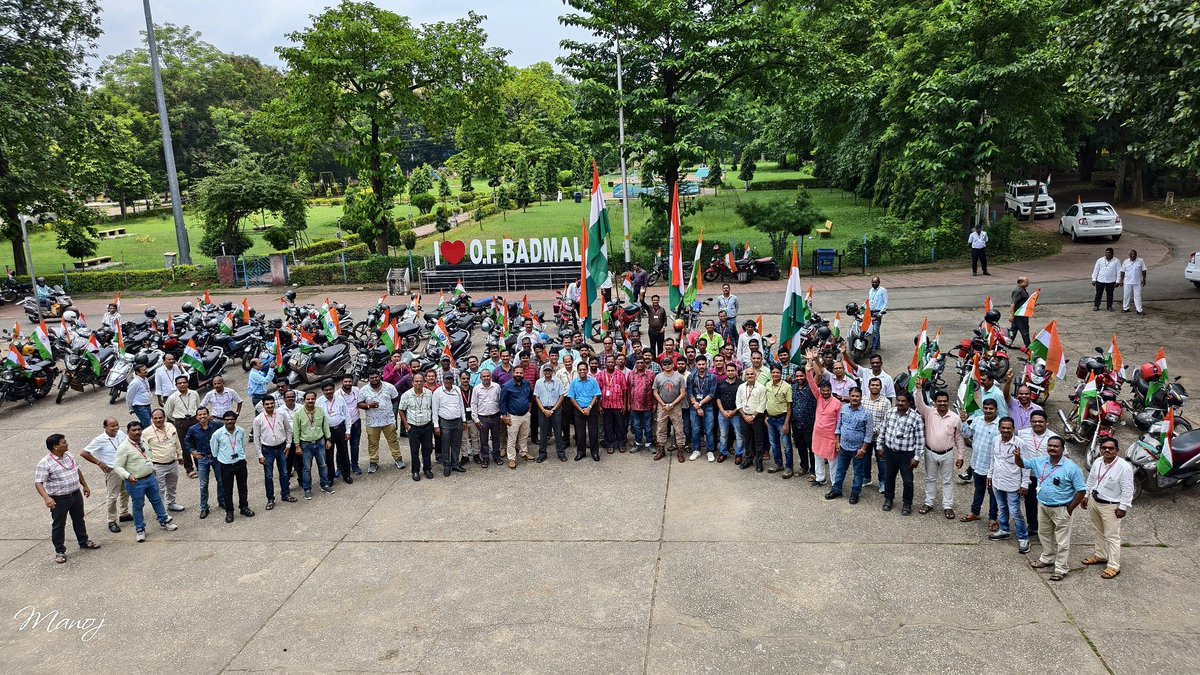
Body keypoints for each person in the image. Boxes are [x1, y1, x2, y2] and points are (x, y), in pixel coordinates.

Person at [1015, 435, 1085, 579]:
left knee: (1062, 541)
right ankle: (1047, 558)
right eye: (1050, 445)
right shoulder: (1040, 461)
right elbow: (1022, 464)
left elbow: (1081, 490)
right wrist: (1017, 457)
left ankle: (1061, 569)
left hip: (1061, 508)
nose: (1052, 448)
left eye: (1056, 446)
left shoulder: (1071, 467)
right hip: (1043, 505)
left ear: (1062, 448)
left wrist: (1070, 509)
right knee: (1044, 535)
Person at [35, 434, 100, 564]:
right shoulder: (45, 463)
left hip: (75, 495)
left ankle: (84, 541)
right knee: (59, 524)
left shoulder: (69, 455)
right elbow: (38, 482)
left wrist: (85, 485)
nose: (67, 444)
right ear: (55, 446)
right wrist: (47, 498)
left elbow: (77, 470)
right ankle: (60, 551)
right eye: (64, 443)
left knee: (79, 519)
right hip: (59, 499)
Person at [113, 421, 178, 542]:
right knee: (138, 506)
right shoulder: (124, 447)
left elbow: (148, 456)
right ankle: (140, 529)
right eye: (134, 430)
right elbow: (118, 466)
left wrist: (152, 469)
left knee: (157, 501)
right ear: (128, 432)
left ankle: (164, 521)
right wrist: (128, 476)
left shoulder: (143, 441)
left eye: (139, 429)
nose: (137, 432)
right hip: (135, 482)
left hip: (150, 478)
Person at [1081, 437, 1135, 579]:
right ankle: (1100, 555)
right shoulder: (1098, 461)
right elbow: (1091, 479)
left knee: (1112, 536)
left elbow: (1128, 490)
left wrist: (1123, 507)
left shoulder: (1124, 467)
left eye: (1111, 448)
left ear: (1117, 450)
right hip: (1095, 501)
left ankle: (1113, 566)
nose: (1107, 450)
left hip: (1111, 506)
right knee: (1098, 531)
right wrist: (1086, 496)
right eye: (1104, 447)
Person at [913, 387, 965, 518]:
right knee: (930, 479)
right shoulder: (929, 413)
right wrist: (918, 389)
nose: (942, 403)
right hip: (930, 452)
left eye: (945, 401)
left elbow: (958, 437)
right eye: (939, 401)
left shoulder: (955, 418)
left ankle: (948, 506)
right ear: (935, 402)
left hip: (947, 454)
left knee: (948, 481)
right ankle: (928, 503)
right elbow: (919, 403)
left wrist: (960, 456)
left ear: (948, 402)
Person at [878, 391, 927, 515]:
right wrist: (879, 446)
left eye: (903, 401)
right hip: (890, 452)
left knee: (908, 481)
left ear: (909, 402)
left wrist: (917, 457)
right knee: (889, 477)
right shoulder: (890, 413)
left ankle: (907, 504)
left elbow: (920, 440)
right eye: (898, 400)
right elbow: (883, 430)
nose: (900, 403)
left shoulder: (916, 418)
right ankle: (888, 500)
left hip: (906, 455)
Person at [79, 418, 132, 533]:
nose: (116, 428)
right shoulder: (99, 440)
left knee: (126, 492)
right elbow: (84, 453)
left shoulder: (121, 434)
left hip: (125, 468)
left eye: (117, 425)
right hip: (113, 471)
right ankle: (111, 520)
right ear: (105, 427)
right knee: (112, 497)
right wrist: (99, 463)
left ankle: (124, 513)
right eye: (112, 426)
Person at [987, 417, 1031, 553]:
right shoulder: (995, 440)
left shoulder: (1020, 444)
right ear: (999, 428)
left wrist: (1025, 483)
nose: (1005, 430)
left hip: (1013, 483)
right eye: (1003, 428)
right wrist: (989, 475)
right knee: (1002, 507)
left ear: (1013, 429)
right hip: (997, 481)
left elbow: (1026, 465)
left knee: (1015, 511)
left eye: (1008, 428)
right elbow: (993, 459)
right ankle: (1004, 530)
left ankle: (1023, 538)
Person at [826, 386, 875, 503]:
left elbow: (869, 435)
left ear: (861, 398)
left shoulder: (866, 413)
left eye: (857, 396)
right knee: (840, 470)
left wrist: (863, 450)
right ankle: (836, 490)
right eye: (852, 396)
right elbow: (838, 427)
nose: (854, 398)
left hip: (858, 450)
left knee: (858, 473)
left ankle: (855, 493)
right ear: (849, 396)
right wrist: (837, 442)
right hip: (843, 447)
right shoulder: (844, 409)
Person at [961, 400, 1001, 530]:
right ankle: (975, 512)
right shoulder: (977, 420)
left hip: (992, 467)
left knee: (993, 493)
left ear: (996, 410)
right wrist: (964, 421)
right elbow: (966, 434)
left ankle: (993, 518)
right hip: (977, 463)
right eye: (986, 408)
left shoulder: (1000, 425)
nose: (988, 411)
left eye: (991, 409)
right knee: (978, 489)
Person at [209, 410, 255, 523]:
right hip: (225, 465)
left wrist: (241, 456)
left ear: (235, 420)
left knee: (243, 487)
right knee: (227, 490)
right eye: (227, 419)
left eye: (231, 419)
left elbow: (243, 445)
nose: (229, 421)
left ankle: (244, 507)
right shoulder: (218, 434)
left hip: (240, 463)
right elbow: (214, 451)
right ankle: (229, 511)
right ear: (224, 421)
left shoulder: (241, 431)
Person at [805, 350, 842, 486]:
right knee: (818, 456)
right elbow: (812, 385)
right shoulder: (819, 397)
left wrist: (838, 439)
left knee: (832, 460)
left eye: (828, 391)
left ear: (831, 390)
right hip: (818, 434)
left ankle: (835, 483)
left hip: (830, 436)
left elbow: (839, 422)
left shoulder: (837, 403)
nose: (825, 392)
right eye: (823, 390)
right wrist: (808, 371)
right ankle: (820, 478)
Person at [358, 371, 404, 473]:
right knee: (372, 443)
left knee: (393, 441)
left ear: (380, 376)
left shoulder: (389, 387)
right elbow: (359, 404)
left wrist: (387, 409)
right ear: (368, 379)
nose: (374, 379)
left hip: (388, 420)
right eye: (371, 378)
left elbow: (395, 399)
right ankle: (373, 462)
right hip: (372, 422)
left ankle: (398, 459)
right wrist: (369, 406)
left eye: (376, 377)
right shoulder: (364, 390)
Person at [294, 391, 334, 499]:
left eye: (312, 399)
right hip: (306, 445)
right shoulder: (298, 414)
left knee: (323, 465)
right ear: (304, 400)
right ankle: (307, 489)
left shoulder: (320, 411)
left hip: (320, 442)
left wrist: (328, 439)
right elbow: (296, 430)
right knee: (306, 468)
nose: (310, 401)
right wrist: (297, 445)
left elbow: (325, 426)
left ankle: (325, 484)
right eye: (308, 399)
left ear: (315, 400)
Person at [254, 397, 292, 511]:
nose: (270, 406)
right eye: (267, 404)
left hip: (281, 448)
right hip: (267, 450)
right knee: (268, 476)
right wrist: (259, 455)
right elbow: (256, 438)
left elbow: (288, 430)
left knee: (284, 473)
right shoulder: (258, 419)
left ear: (274, 404)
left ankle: (286, 495)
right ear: (263, 405)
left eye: (271, 403)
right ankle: (270, 499)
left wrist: (289, 445)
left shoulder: (281, 414)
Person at [145, 408, 186, 512]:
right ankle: (162, 511)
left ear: (165, 417)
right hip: (158, 466)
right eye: (155, 418)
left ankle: (171, 503)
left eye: (160, 418)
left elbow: (176, 442)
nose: (158, 420)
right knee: (160, 489)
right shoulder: (146, 433)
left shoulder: (171, 427)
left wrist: (180, 456)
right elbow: (143, 450)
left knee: (172, 486)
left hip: (173, 463)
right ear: (152, 419)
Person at [185, 407, 223, 518]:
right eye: (200, 415)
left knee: (220, 481)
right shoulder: (193, 429)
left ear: (208, 415)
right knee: (203, 485)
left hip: (216, 457)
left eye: (204, 414)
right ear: (196, 417)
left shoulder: (216, 425)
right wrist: (193, 452)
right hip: (202, 459)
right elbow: (187, 441)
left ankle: (222, 501)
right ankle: (204, 507)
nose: (202, 416)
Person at [398, 374, 435, 481]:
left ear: (424, 382)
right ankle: (415, 471)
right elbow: (401, 410)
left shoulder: (429, 394)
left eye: (420, 381)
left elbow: (433, 408)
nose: (418, 383)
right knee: (414, 451)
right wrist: (406, 425)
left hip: (427, 426)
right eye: (416, 381)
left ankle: (427, 469)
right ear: (413, 382)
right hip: (413, 427)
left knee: (427, 450)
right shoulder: (406, 395)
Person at [316, 380, 353, 485]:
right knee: (328, 455)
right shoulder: (319, 402)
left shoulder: (340, 399)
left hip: (340, 429)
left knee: (344, 453)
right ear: (322, 391)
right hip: (327, 431)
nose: (328, 391)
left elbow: (347, 416)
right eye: (326, 390)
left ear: (334, 389)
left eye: (330, 389)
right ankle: (330, 477)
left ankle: (346, 475)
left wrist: (348, 431)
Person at [163, 375, 200, 477]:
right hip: (181, 422)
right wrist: (178, 421)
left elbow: (198, 407)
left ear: (188, 383)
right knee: (184, 446)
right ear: (176, 385)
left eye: (184, 382)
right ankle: (189, 469)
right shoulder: (172, 398)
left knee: (197, 442)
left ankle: (200, 465)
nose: (182, 384)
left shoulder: (194, 394)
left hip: (194, 420)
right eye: (179, 383)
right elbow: (169, 413)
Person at [433, 373, 468, 476]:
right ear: (443, 380)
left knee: (456, 444)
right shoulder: (437, 392)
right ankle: (446, 466)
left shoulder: (457, 389)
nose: (448, 381)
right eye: (446, 379)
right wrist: (436, 426)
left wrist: (464, 420)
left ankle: (455, 464)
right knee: (445, 445)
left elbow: (461, 405)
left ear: (453, 380)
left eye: (450, 379)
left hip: (457, 421)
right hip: (445, 422)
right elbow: (435, 410)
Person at [652, 357, 686, 462]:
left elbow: (683, 393)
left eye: (669, 363)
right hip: (662, 406)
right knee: (661, 428)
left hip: (675, 406)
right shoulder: (658, 377)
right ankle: (661, 450)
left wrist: (671, 404)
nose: (667, 365)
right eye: (665, 364)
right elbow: (655, 392)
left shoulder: (679, 377)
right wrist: (663, 404)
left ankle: (680, 451)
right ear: (662, 365)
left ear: (673, 364)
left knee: (679, 429)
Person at [500, 365, 534, 468]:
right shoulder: (506, 386)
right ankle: (511, 458)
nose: (519, 374)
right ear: (513, 373)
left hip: (525, 415)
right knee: (512, 438)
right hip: (513, 416)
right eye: (517, 372)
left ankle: (523, 452)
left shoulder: (527, 384)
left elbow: (530, 397)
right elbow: (502, 402)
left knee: (524, 435)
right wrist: (504, 416)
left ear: (523, 374)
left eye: (521, 373)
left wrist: (529, 410)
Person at [568, 361, 602, 461]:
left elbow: (596, 395)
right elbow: (572, 398)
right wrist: (581, 409)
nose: (582, 371)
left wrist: (589, 408)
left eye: (584, 369)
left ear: (587, 370)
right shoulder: (574, 382)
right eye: (580, 370)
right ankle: (581, 452)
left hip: (591, 409)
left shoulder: (593, 381)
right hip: (579, 410)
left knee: (593, 432)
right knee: (580, 432)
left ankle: (594, 452)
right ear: (577, 371)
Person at [764, 364, 794, 475]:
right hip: (770, 419)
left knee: (786, 445)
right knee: (774, 444)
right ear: (771, 373)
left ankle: (789, 468)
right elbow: (766, 401)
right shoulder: (767, 385)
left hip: (782, 419)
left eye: (777, 372)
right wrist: (765, 416)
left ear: (781, 373)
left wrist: (786, 423)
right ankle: (778, 464)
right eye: (773, 372)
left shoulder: (787, 387)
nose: (775, 374)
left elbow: (789, 406)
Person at [596, 357, 629, 454]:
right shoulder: (600, 375)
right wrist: (599, 405)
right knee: (608, 425)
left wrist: (624, 404)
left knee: (620, 425)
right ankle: (610, 444)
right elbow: (597, 392)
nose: (610, 364)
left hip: (618, 404)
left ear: (615, 363)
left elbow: (625, 391)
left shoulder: (620, 375)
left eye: (612, 362)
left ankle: (621, 443)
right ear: (605, 363)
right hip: (606, 405)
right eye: (608, 362)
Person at [862, 378, 890, 491]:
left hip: (880, 437)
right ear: (868, 387)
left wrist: (873, 430)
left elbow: (886, 420)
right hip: (865, 437)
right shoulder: (863, 400)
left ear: (880, 387)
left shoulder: (886, 402)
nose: (874, 387)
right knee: (865, 458)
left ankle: (883, 482)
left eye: (877, 385)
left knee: (881, 460)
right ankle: (866, 478)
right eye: (872, 385)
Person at [687, 359, 718, 461]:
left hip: (708, 407)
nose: (701, 366)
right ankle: (696, 450)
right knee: (695, 430)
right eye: (699, 364)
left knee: (709, 430)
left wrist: (700, 404)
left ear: (706, 364)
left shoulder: (712, 377)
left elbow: (712, 394)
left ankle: (710, 451)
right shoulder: (691, 376)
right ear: (696, 365)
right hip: (694, 407)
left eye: (703, 364)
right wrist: (696, 405)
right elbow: (689, 392)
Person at [736, 368, 767, 472]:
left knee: (758, 440)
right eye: (747, 374)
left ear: (756, 376)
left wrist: (753, 416)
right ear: (745, 376)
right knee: (747, 439)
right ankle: (749, 459)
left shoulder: (761, 388)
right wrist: (744, 416)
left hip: (756, 417)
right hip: (744, 416)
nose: (750, 376)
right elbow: (738, 402)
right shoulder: (741, 387)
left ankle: (759, 461)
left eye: (752, 374)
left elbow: (763, 403)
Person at [533, 364, 565, 461]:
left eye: (549, 370)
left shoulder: (558, 381)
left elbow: (561, 396)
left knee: (558, 432)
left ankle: (561, 453)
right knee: (543, 432)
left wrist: (553, 409)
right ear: (543, 371)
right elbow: (537, 397)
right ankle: (542, 454)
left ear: (552, 371)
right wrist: (543, 410)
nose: (547, 372)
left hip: (556, 409)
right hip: (543, 409)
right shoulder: (539, 382)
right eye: (545, 371)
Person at [472, 369, 502, 467]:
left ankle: (496, 456)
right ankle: (485, 458)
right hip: (482, 418)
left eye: (487, 376)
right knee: (483, 439)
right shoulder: (477, 389)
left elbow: (500, 401)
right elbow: (474, 404)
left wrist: (502, 415)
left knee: (496, 438)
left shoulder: (496, 387)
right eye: (484, 376)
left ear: (491, 377)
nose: (486, 378)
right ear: (481, 378)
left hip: (495, 416)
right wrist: (475, 419)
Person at [628, 356, 657, 454]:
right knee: (636, 426)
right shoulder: (631, 374)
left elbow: (654, 390)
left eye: (642, 362)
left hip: (647, 405)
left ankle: (649, 443)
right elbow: (628, 390)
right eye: (638, 363)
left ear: (645, 363)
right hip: (634, 405)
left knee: (648, 426)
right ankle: (638, 443)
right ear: (635, 364)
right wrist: (628, 403)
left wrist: (654, 403)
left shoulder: (650, 374)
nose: (640, 364)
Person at [715, 363, 743, 463]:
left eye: (732, 370)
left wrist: (734, 411)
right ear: (725, 371)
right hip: (722, 413)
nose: (730, 372)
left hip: (737, 413)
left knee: (739, 435)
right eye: (728, 370)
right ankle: (723, 453)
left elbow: (743, 400)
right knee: (723, 434)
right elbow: (717, 398)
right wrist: (722, 411)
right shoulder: (721, 383)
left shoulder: (741, 384)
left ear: (736, 371)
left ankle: (739, 454)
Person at [336, 375, 363, 474]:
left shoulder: (356, 390)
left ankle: (355, 465)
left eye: (349, 381)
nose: (348, 383)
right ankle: (340, 467)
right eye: (345, 382)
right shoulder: (337, 394)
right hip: (342, 424)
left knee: (355, 446)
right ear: (342, 382)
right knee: (341, 447)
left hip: (356, 422)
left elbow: (360, 403)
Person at [457, 371, 480, 465]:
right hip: (462, 420)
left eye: (467, 378)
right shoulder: (457, 390)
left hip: (473, 418)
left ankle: (476, 455)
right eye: (463, 378)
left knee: (475, 437)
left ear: (470, 379)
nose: (465, 380)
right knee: (463, 439)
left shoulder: (474, 389)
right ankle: (464, 456)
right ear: (460, 379)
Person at [1091, 247, 1120, 311]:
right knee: (1098, 294)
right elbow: (1096, 270)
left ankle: (1109, 306)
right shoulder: (1100, 260)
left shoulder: (1116, 261)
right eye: (1106, 253)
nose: (1107, 255)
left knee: (1110, 294)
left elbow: (1118, 272)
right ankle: (1096, 305)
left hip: (1111, 280)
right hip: (1100, 280)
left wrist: (1117, 281)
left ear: (1112, 254)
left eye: (1109, 253)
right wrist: (1094, 279)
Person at [1120, 249, 1147, 314]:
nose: (1133, 256)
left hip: (1137, 282)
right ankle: (1126, 308)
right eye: (1131, 255)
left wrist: (1144, 279)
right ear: (1129, 255)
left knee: (1137, 296)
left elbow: (1144, 270)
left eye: (1134, 254)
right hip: (1127, 282)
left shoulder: (1140, 261)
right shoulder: (1125, 261)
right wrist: (1121, 280)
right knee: (1126, 295)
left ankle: (1139, 310)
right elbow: (1122, 271)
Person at [126, 364, 153, 429]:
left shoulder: (145, 379)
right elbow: (129, 396)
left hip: (147, 405)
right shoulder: (135, 382)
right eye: (143, 370)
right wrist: (130, 408)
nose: (146, 371)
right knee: (148, 426)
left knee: (145, 423)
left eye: (146, 369)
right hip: (140, 407)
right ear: (137, 372)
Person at [1009, 277, 1032, 348]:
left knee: (1013, 329)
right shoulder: (1018, 291)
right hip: (1020, 315)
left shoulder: (1022, 290)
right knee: (1024, 330)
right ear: (1020, 282)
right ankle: (1028, 346)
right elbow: (1013, 303)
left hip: (1020, 314)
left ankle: (1008, 342)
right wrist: (1011, 315)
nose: (1028, 283)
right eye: (1026, 282)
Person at [867, 277, 888, 350]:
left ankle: (873, 348)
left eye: (876, 282)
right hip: (871, 312)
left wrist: (881, 313)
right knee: (873, 329)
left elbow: (885, 303)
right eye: (873, 282)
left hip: (878, 312)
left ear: (879, 282)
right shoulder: (870, 290)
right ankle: (877, 345)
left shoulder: (883, 290)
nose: (874, 284)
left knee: (875, 330)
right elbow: (870, 301)